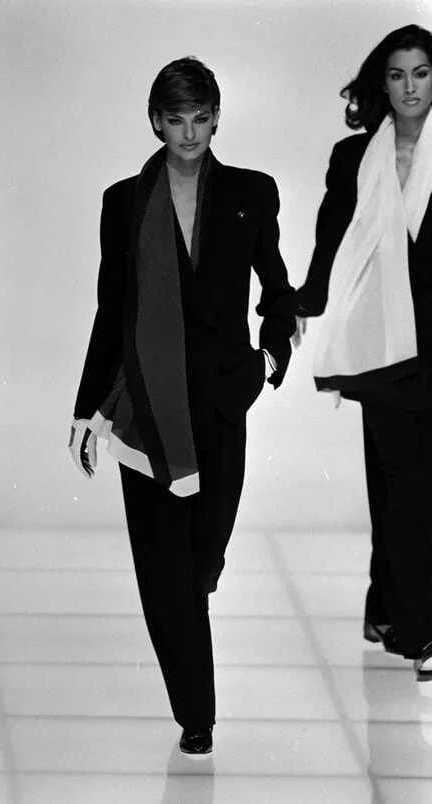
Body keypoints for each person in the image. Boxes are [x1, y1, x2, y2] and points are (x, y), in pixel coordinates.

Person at [69, 57, 295, 753]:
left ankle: (194, 663)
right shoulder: (123, 203)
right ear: (155, 122)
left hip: (221, 401)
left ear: (217, 117)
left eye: (200, 117)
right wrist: (86, 409)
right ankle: (196, 716)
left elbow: (277, 289)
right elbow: (112, 310)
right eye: (176, 119)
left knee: (201, 563)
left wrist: (269, 358)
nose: (189, 132)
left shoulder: (252, 192)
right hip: (144, 406)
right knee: (165, 574)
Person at [294, 25, 432, 681]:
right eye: (398, 75)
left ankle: (385, 606)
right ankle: (420, 632)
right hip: (381, 346)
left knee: (401, 485)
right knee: (406, 484)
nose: (410, 87)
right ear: (382, 82)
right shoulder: (354, 156)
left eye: (421, 73)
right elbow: (331, 239)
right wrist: (301, 303)